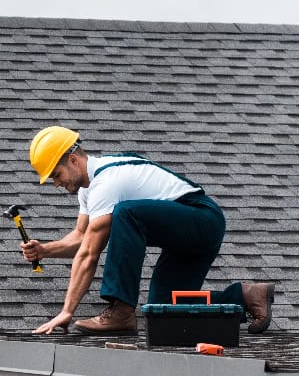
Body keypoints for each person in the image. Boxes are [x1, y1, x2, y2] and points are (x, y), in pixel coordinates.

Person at [19, 125, 276, 336]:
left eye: (56, 174)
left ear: (73, 160)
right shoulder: (90, 189)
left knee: (125, 213)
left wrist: (67, 311)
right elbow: (81, 238)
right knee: (162, 311)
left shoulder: (107, 183)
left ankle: (121, 310)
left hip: (202, 218)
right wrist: (45, 250)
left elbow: (89, 253)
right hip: (185, 232)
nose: (55, 184)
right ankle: (246, 296)